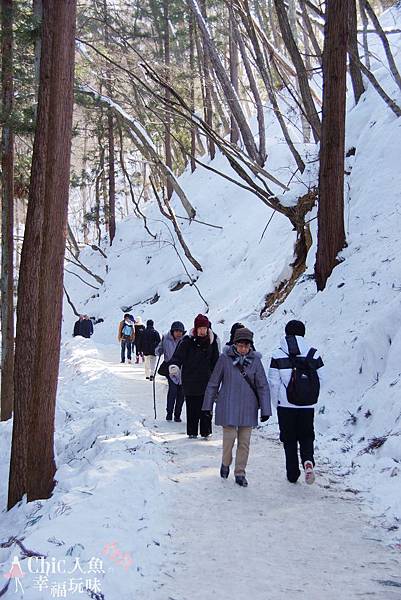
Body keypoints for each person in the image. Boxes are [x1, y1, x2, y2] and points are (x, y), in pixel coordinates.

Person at [203, 327, 271, 487]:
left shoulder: (255, 361)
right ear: (235, 344)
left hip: (249, 407)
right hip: (229, 405)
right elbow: (214, 383)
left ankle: (240, 472)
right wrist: (207, 406)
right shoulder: (225, 359)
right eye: (240, 345)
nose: (243, 349)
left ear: (250, 346)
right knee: (229, 439)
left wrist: (266, 409)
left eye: (246, 346)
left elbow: (262, 386)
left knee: (244, 442)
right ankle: (225, 462)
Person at [268, 319, 324, 485]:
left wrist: (276, 402)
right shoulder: (313, 354)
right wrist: (311, 396)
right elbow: (322, 378)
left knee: (289, 438)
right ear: (303, 333)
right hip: (307, 405)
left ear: (286, 333)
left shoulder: (278, 354)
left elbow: (273, 382)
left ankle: (292, 473)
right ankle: (308, 461)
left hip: (286, 405)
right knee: (307, 435)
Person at [169, 314, 219, 439]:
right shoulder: (187, 341)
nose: (202, 331)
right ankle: (192, 432)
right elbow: (177, 356)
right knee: (192, 407)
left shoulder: (212, 342)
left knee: (206, 408)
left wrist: (218, 376)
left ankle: (206, 432)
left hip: (207, 380)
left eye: (205, 328)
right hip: (190, 380)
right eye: (200, 328)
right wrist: (174, 366)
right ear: (196, 328)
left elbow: (216, 361)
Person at [156, 321, 186, 422]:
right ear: (172, 331)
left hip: (182, 370)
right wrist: (159, 351)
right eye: (177, 331)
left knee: (181, 393)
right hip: (170, 369)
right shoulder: (165, 339)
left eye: (180, 331)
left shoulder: (185, 341)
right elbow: (158, 349)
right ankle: (169, 412)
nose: (179, 333)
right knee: (173, 390)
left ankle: (177, 414)